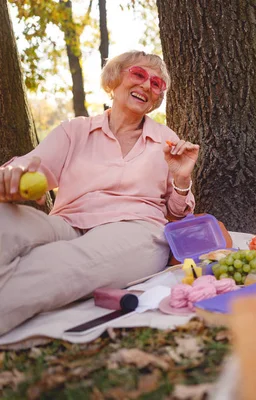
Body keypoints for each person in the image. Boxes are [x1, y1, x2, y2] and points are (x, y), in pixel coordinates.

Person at [0, 51, 199, 335]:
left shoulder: (166, 141)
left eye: (156, 84)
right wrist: (12, 177)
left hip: (133, 230)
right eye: (138, 75)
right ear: (114, 80)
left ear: (157, 99)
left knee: (60, 262)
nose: (146, 86)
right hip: (67, 224)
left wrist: (182, 178)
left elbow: (179, 213)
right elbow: (35, 166)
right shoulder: (75, 130)